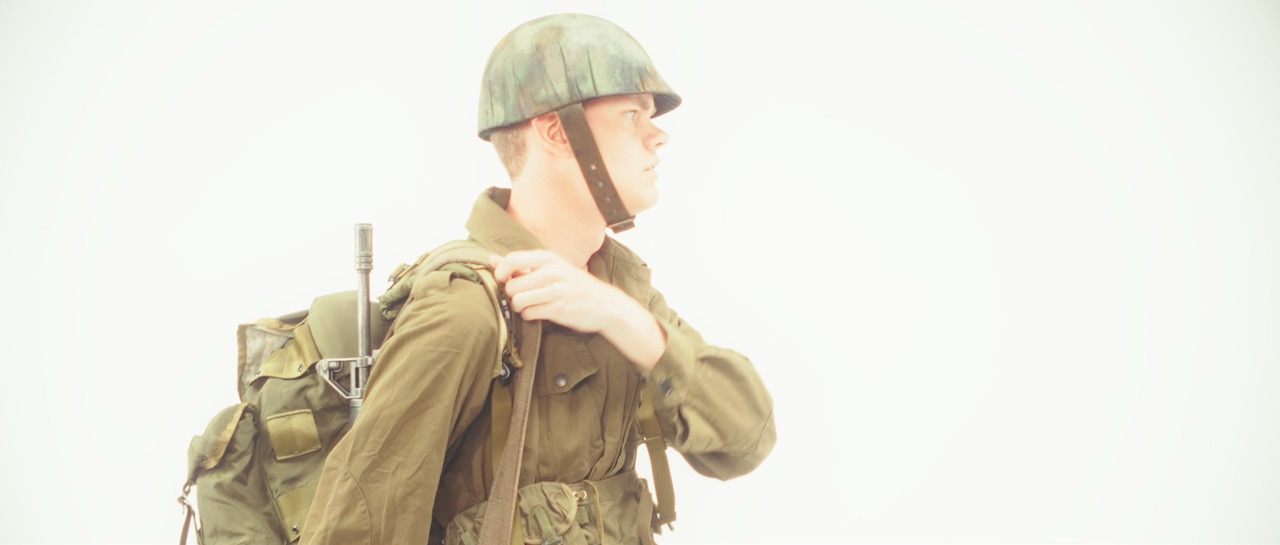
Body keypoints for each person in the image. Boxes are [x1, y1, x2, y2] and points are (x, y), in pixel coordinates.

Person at [302, 13, 775, 545]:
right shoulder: (465, 311)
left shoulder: (615, 290)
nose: (657, 134)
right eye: (631, 115)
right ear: (556, 132)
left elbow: (745, 441)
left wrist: (627, 321)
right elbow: (360, 524)